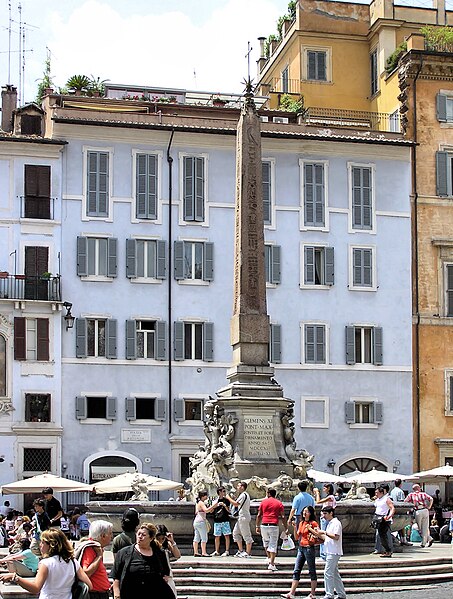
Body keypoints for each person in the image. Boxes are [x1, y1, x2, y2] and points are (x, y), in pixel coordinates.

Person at [0, 527, 93, 598]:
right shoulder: (73, 562)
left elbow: (35, 588)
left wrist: (15, 578)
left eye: (43, 542)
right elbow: (89, 585)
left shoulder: (46, 564)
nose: (40, 545)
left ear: (51, 545)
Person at [111, 522, 173, 599]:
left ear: (151, 538)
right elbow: (116, 576)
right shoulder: (124, 553)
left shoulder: (159, 553)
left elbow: (165, 573)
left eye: (143, 535)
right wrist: (117, 595)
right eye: (138, 534)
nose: (140, 537)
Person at [281, 505, 319, 599]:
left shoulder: (313, 523)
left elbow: (318, 534)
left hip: (309, 547)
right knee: (296, 570)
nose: (304, 513)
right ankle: (291, 593)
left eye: (306, 511)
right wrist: (294, 528)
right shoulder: (301, 523)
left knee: (312, 570)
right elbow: (297, 537)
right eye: (303, 511)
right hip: (301, 548)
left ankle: (312, 593)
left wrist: (310, 529)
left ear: (310, 513)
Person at [309, 506, 346, 599]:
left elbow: (336, 536)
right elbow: (327, 538)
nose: (323, 516)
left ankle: (329, 594)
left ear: (331, 513)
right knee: (334, 574)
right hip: (330, 550)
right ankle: (341, 594)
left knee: (327, 572)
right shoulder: (330, 523)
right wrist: (317, 535)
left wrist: (324, 532)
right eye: (323, 514)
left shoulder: (336, 523)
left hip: (334, 551)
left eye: (325, 514)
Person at [77, 519, 113, 599]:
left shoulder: (96, 547)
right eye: (110, 534)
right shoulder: (90, 548)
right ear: (103, 536)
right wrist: (99, 556)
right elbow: (86, 573)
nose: (112, 536)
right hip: (95, 595)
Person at [256, 488, 288, 572]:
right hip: (273, 525)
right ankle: (271, 563)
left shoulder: (263, 502)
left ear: (268, 493)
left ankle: (269, 558)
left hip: (264, 524)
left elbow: (259, 515)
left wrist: (257, 526)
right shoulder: (279, 503)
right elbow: (283, 516)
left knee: (266, 542)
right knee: (273, 544)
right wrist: (286, 527)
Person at [228, 481, 253, 557]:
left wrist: (228, 498)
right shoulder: (242, 495)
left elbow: (236, 504)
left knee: (246, 535)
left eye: (238, 486)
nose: (237, 487)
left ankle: (248, 553)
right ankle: (241, 551)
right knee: (235, 533)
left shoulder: (244, 495)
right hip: (240, 517)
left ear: (242, 487)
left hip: (243, 517)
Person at [156, 524, 181, 598]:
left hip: (168, 578)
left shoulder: (167, 545)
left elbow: (177, 555)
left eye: (163, 538)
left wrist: (172, 541)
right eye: (158, 538)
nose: (160, 541)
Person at [315, 483, 336, 560]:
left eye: (325, 488)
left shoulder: (330, 497)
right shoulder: (330, 497)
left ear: (328, 488)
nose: (323, 489)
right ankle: (325, 554)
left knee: (322, 535)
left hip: (325, 518)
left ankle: (323, 555)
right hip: (326, 518)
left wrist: (317, 493)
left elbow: (318, 501)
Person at [211, 487, 232, 557]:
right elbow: (211, 510)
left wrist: (224, 506)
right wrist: (216, 505)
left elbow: (230, 511)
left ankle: (227, 551)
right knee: (217, 536)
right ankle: (217, 551)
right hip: (217, 520)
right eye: (223, 491)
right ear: (219, 492)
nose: (224, 492)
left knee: (227, 536)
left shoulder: (226, 500)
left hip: (225, 520)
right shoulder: (215, 500)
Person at [374, 486, 395, 557]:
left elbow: (392, 508)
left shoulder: (386, 499)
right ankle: (387, 550)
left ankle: (388, 550)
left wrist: (389, 516)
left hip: (384, 519)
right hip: (378, 518)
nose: (376, 494)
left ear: (382, 493)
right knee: (381, 535)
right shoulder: (378, 500)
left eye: (377, 493)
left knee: (383, 535)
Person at [389, 479, 411, 546]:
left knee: (398, 526)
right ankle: (403, 540)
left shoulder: (392, 491)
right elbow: (401, 501)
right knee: (402, 525)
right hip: (400, 510)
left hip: (394, 509)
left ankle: (401, 539)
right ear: (400, 484)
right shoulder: (400, 491)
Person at [192, 490, 213, 557]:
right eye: (206, 495)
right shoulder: (201, 503)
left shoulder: (197, 503)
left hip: (196, 521)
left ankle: (196, 552)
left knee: (196, 538)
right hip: (201, 521)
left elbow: (197, 512)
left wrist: (210, 508)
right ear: (203, 496)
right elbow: (206, 510)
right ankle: (204, 552)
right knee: (204, 538)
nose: (207, 497)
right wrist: (213, 506)